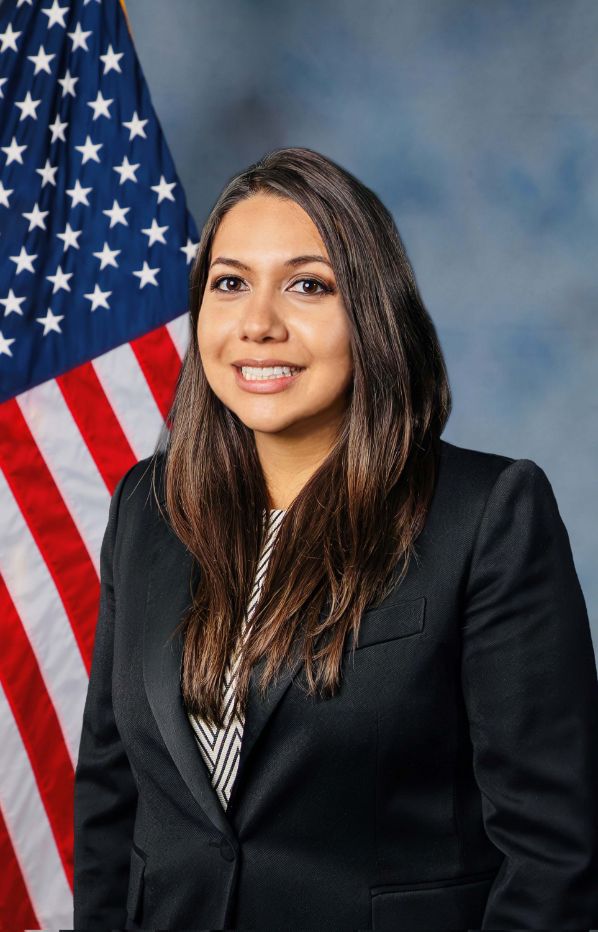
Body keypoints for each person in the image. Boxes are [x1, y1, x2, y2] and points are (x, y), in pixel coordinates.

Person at [73, 146, 598, 931]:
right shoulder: (147, 507)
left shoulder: (486, 513)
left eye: (307, 285)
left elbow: (553, 855)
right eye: (230, 284)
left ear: (373, 310)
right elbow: (112, 800)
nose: (258, 323)